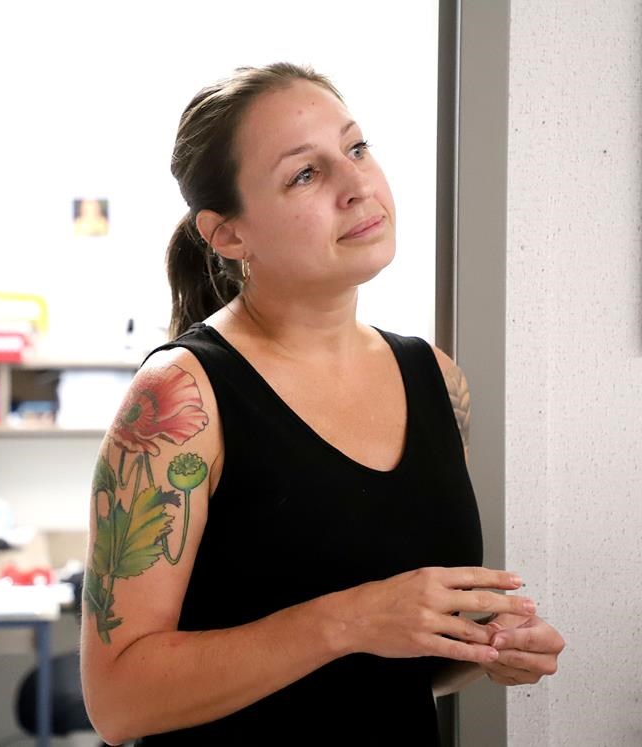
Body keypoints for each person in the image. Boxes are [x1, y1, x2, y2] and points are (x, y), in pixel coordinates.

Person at [79, 63, 565, 745]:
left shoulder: (436, 380)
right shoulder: (180, 399)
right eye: (305, 174)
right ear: (228, 235)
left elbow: (391, 668)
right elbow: (117, 701)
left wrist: (486, 651)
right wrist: (349, 617)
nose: (357, 184)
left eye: (357, 148)